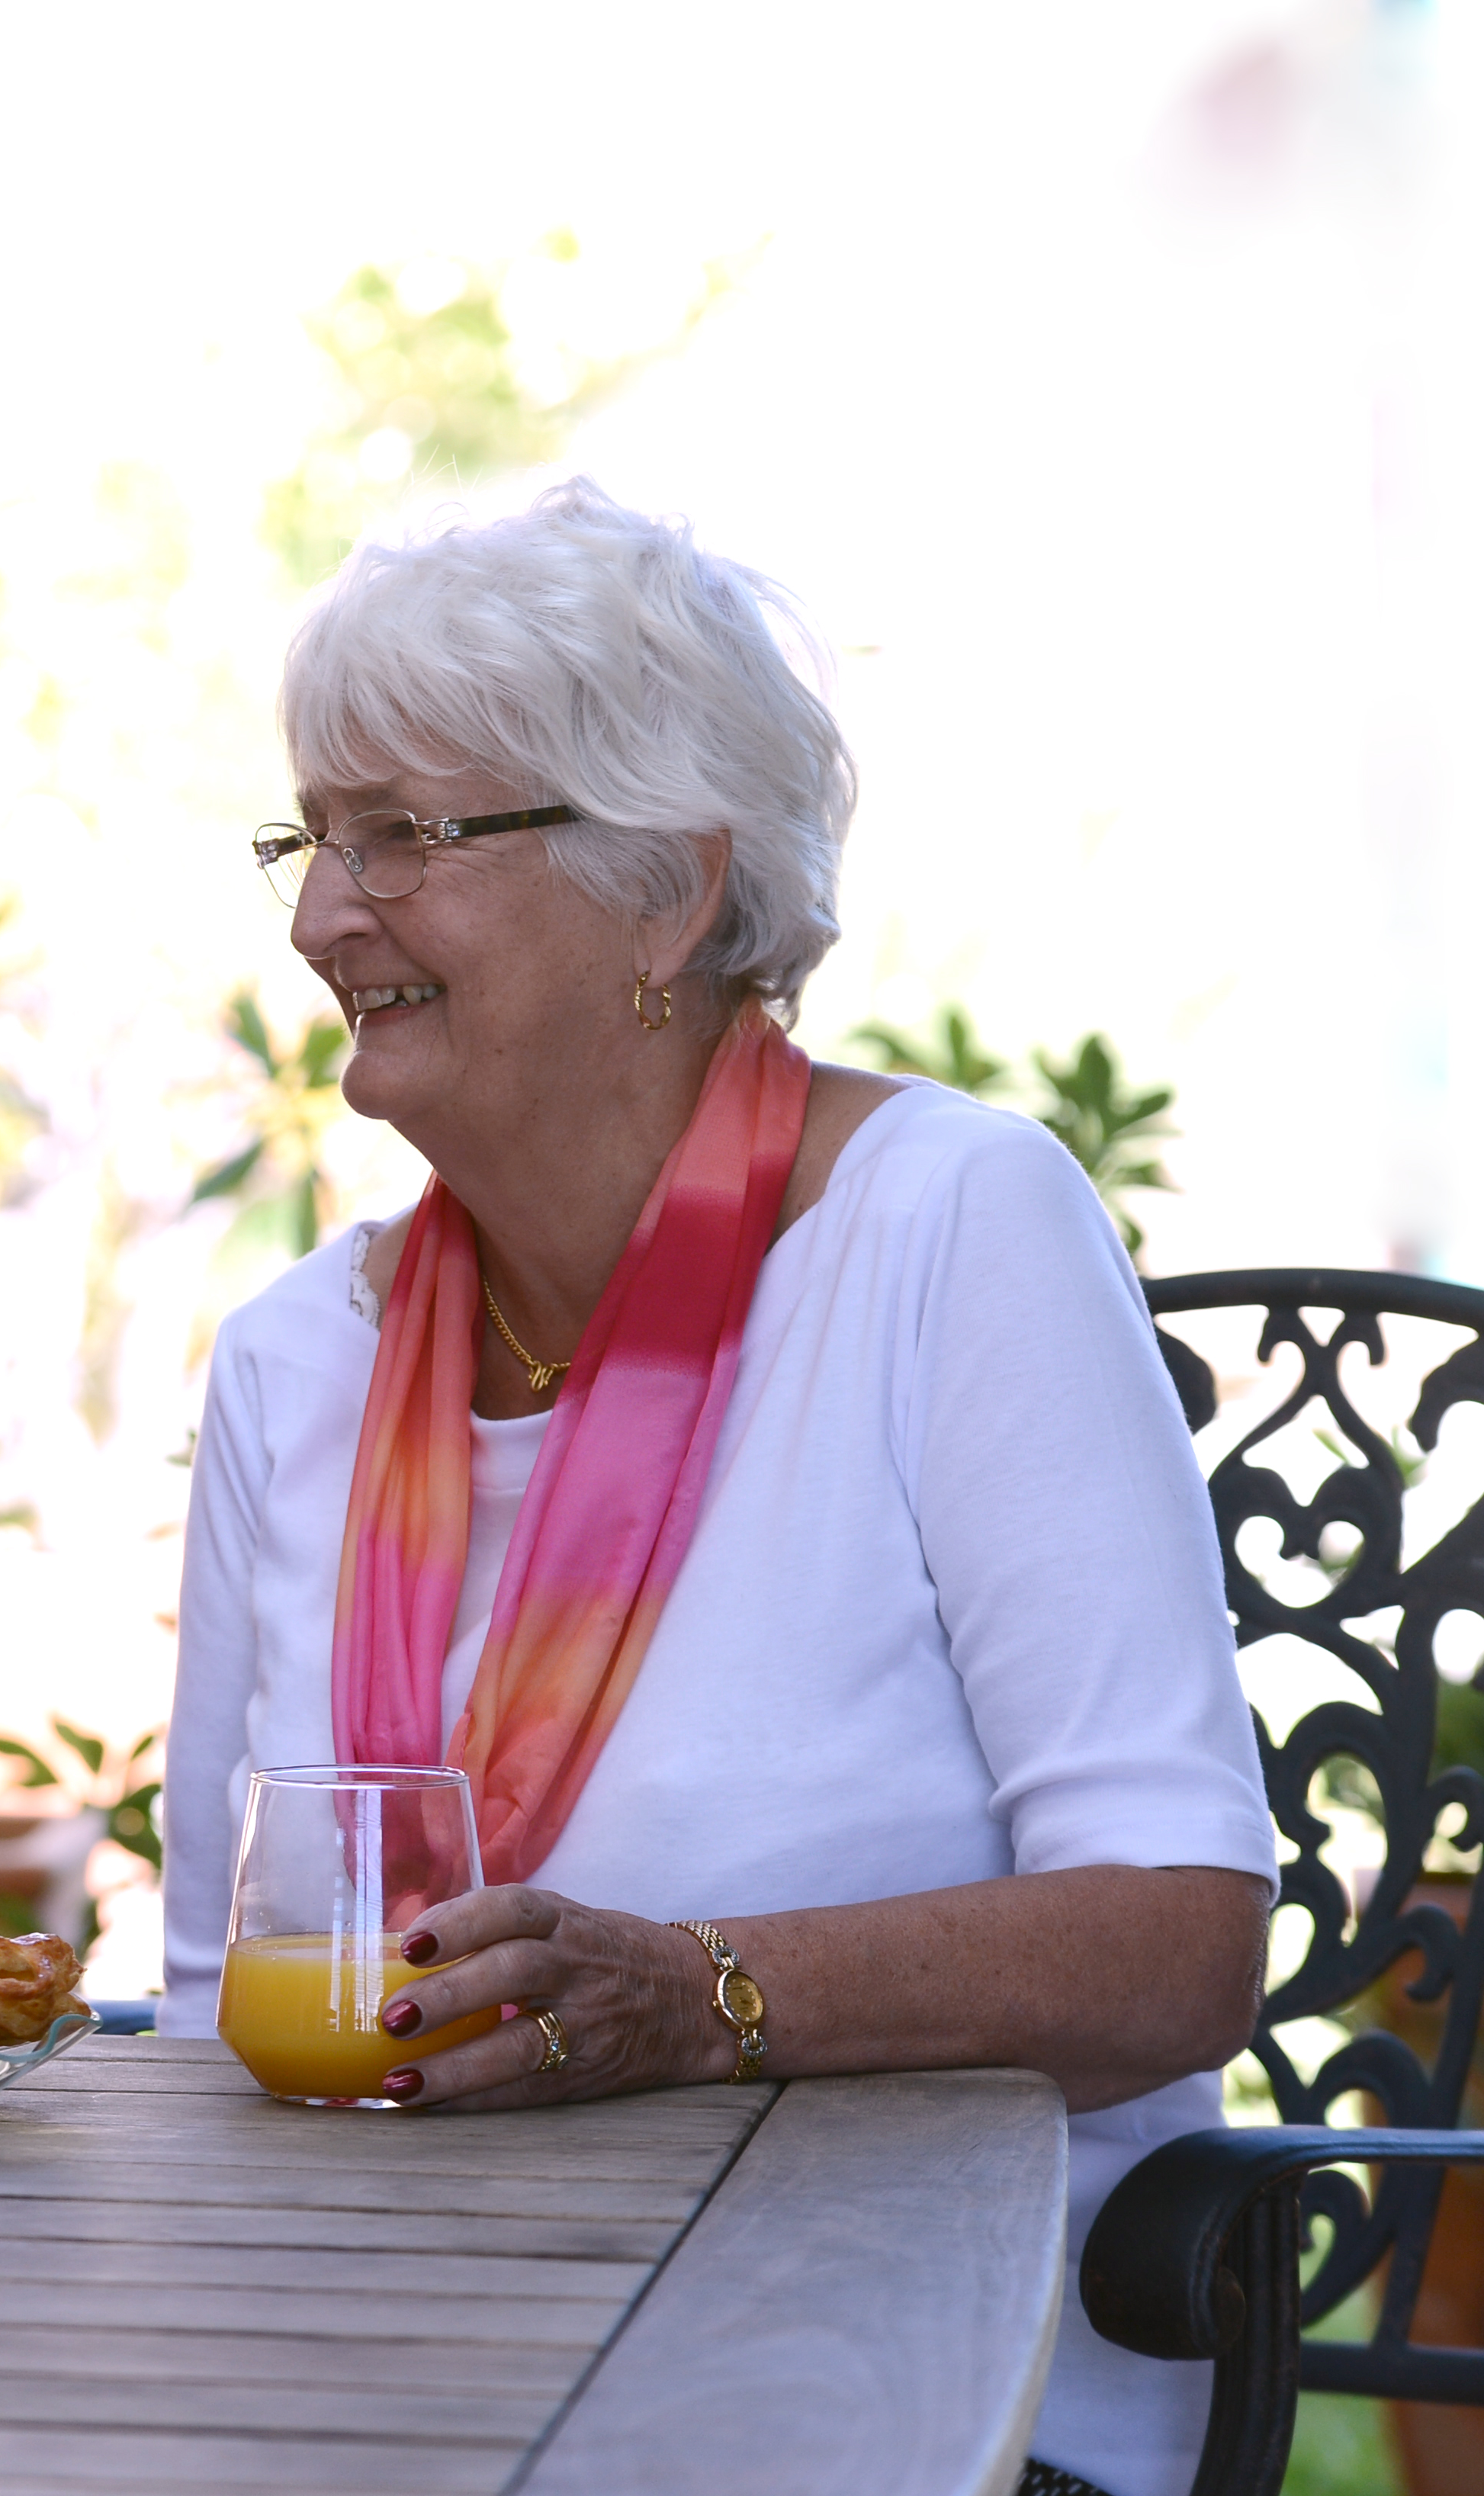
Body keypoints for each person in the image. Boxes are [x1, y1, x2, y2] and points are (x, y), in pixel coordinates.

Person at [160, 483, 1274, 2496]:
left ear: (666, 896)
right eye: (309, 839)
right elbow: (204, 2002)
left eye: (400, 835)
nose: (322, 918)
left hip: (908, 2399)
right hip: (399, 2385)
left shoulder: (951, 1229)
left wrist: (699, 1997)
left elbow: (1174, 1941)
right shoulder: (289, 1362)